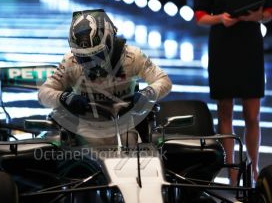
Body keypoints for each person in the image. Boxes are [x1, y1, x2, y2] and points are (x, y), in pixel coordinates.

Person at [38, 9, 172, 146]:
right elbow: (43, 92)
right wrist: (65, 98)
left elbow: (163, 80)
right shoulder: (70, 61)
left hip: (128, 122)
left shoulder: (133, 56)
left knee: (133, 139)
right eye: (83, 57)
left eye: (96, 55)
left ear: (110, 43)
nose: (91, 62)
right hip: (86, 125)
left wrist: (147, 94)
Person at [195, 0, 272, 184]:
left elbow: (269, 11)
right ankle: (231, 171)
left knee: (252, 115)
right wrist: (220, 18)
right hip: (223, 44)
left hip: (250, 44)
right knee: (225, 112)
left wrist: (257, 16)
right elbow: (200, 16)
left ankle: (254, 167)